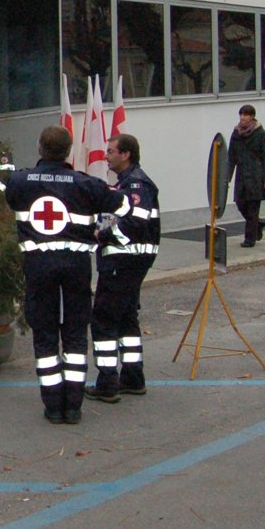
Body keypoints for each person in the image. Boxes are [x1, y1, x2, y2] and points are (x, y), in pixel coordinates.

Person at [5, 124, 129, 425]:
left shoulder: (20, 181)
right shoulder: (85, 183)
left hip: (37, 266)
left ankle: (52, 406)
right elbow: (123, 204)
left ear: (39, 149)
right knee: (74, 334)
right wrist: (101, 230)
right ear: (69, 151)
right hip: (76, 266)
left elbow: (10, 199)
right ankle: (73, 406)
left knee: (45, 336)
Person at [86, 133, 160, 403]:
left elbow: (136, 223)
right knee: (127, 318)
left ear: (126, 154)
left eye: (111, 151)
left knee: (104, 319)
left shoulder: (137, 185)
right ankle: (132, 377)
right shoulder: (126, 184)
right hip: (127, 262)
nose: (106, 155)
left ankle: (107, 382)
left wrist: (103, 236)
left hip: (123, 262)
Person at [227, 104, 265, 248]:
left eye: (246, 115)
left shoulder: (261, 134)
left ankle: (249, 239)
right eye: (241, 114)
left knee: (253, 207)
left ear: (252, 116)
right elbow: (231, 156)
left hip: (256, 174)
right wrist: (226, 177)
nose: (243, 117)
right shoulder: (236, 134)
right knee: (241, 204)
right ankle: (257, 224)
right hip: (241, 174)